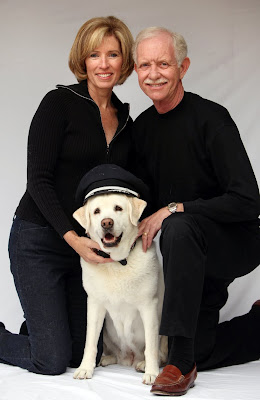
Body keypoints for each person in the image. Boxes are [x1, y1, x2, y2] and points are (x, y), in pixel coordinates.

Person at [0, 16, 134, 375]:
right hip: (39, 239)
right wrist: (72, 237)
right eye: (94, 55)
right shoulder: (58, 103)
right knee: (52, 361)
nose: (103, 64)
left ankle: (42, 330)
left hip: (85, 249)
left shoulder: (124, 119)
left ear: (125, 62)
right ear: (82, 60)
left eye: (113, 54)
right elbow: (38, 180)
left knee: (79, 355)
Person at [132, 26, 260, 396]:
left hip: (234, 241)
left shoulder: (211, 119)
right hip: (187, 256)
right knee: (206, 346)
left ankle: (180, 363)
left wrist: (175, 209)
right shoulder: (142, 129)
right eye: (144, 65)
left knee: (179, 226)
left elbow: (248, 201)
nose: (153, 73)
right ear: (136, 71)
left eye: (163, 63)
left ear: (183, 67)